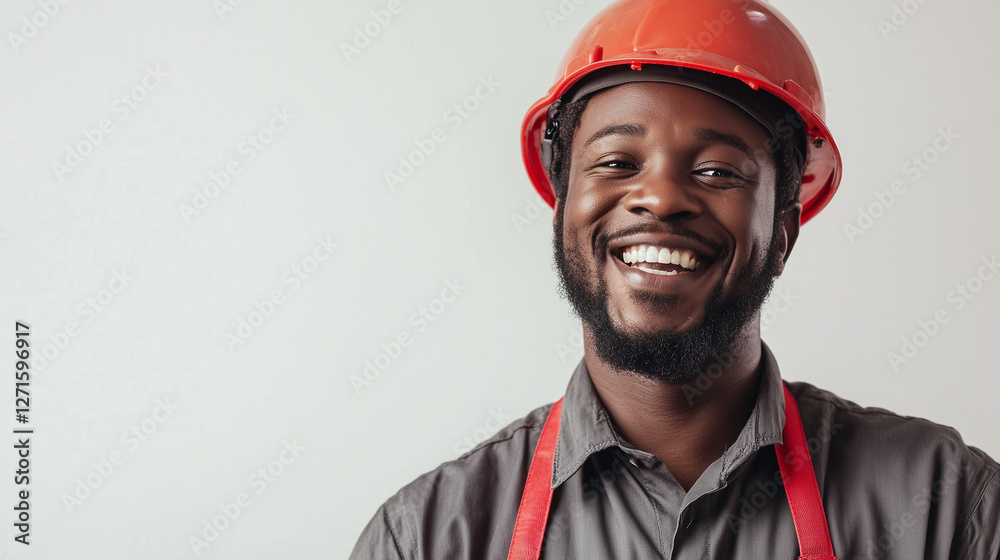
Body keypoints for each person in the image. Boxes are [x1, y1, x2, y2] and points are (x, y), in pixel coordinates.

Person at [350, 0, 1000, 558]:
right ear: (561, 203)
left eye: (718, 171)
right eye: (615, 161)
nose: (659, 198)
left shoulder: (951, 512)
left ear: (783, 232)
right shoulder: (429, 538)